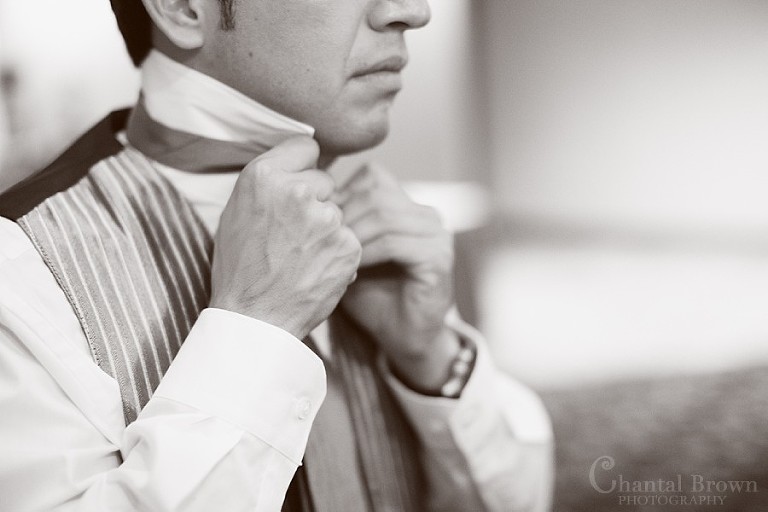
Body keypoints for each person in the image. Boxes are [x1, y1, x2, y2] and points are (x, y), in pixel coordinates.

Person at [0, 0, 553, 510]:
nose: (412, 11)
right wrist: (257, 329)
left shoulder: (372, 235)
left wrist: (432, 360)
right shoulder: (19, 273)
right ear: (183, 7)